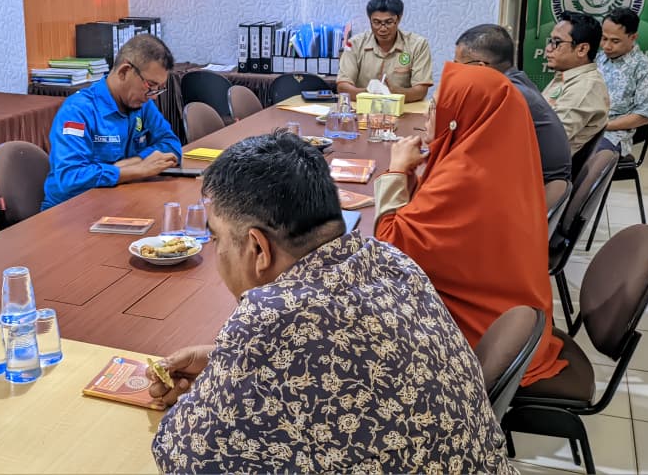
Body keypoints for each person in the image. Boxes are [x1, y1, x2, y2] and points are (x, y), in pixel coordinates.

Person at [148, 131, 515, 474]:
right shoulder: (390, 261)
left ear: (258, 249)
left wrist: (228, 377)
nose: (217, 251)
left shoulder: (273, 316)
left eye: (216, 239)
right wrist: (226, 362)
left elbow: (183, 455)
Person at [374, 62, 566, 387]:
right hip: (508, 317)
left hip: (480, 340)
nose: (426, 117)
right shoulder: (497, 157)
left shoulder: (464, 176)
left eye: (435, 107)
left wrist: (394, 172)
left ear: (459, 115)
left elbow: (392, 251)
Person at [41, 34, 182, 210]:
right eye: (150, 85)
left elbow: (172, 145)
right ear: (124, 71)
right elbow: (70, 177)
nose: (153, 96)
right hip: (70, 210)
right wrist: (133, 170)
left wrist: (137, 161)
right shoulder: (78, 111)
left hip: (118, 201)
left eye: (158, 89)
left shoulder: (141, 103)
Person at [454, 24, 571, 183]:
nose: (455, 73)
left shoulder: (508, 95)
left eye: (458, 65)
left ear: (480, 68)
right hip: (535, 181)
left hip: (535, 189)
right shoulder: (516, 81)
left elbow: (476, 150)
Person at [336, 0, 433, 102]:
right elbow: (343, 86)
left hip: (404, 111)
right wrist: (369, 94)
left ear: (399, 19)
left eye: (388, 22)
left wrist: (395, 93)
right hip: (363, 112)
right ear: (370, 20)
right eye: (376, 22)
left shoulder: (418, 45)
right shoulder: (354, 44)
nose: (382, 29)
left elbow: (421, 90)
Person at [540, 11, 610, 154]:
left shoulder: (585, 88)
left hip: (541, 165)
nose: (548, 48)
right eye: (550, 41)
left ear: (582, 49)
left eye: (556, 43)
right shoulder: (567, 76)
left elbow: (547, 139)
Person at [597, 7, 648, 156]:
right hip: (584, 126)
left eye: (615, 41)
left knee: (587, 158)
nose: (606, 46)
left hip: (612, 135)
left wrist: (604, 126)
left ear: (633, 37)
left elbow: (643, 116)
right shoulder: (598, 59)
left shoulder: (646, 69)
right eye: (604, 38)